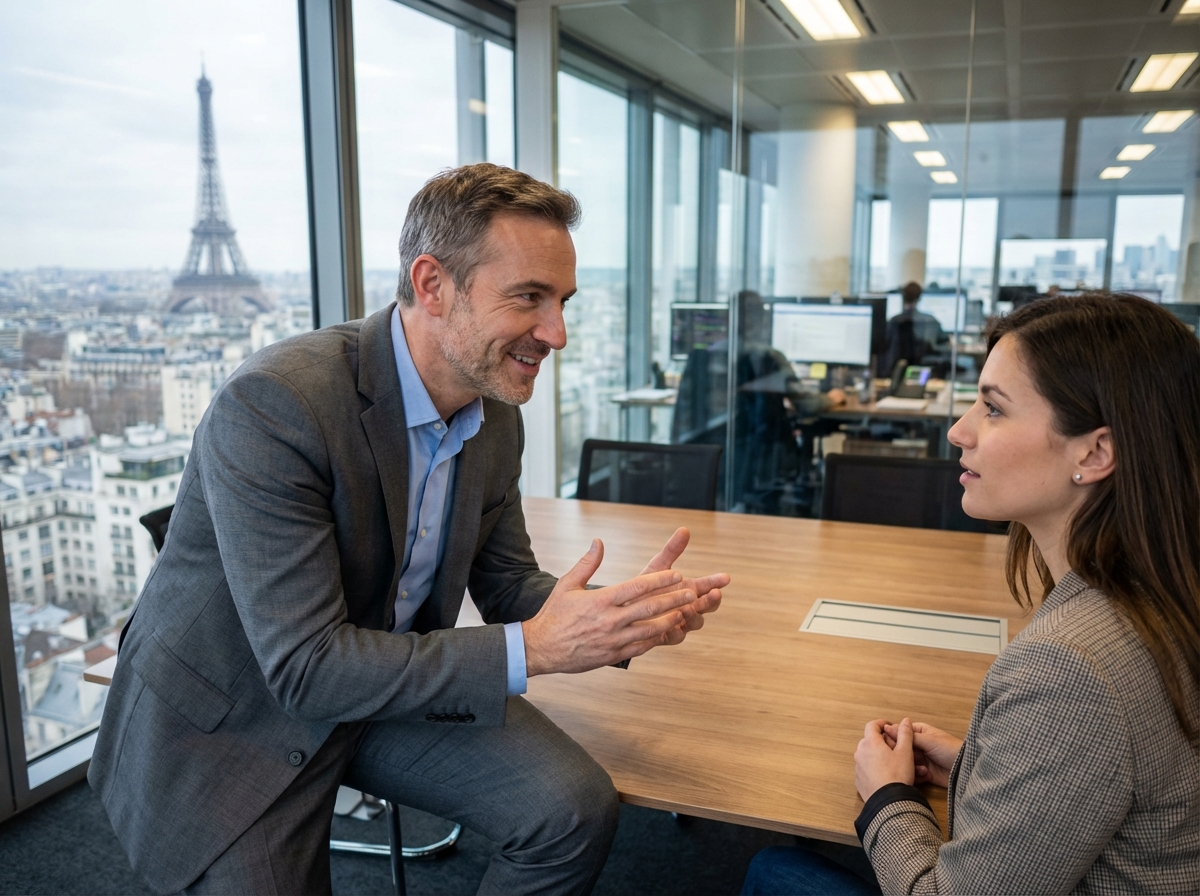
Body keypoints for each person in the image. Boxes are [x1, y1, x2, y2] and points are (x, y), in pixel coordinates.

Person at [89, 163, 728, 895]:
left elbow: (508, 583)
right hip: (243, 714)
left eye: (563, 302)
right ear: (432, 285)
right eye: (529, 298)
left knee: (571, 809)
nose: (556, 333)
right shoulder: (277, 404)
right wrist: (538, 649)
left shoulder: (494, 416)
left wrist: (617, 619)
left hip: (381, 682)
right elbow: (305, 669)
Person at [744, 293, 1200, 894]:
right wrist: (981, 763)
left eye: (993, 408)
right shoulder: (1163, 589)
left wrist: (888, 796)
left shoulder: (1071, 667)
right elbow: (1109, 774)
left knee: (773, 872)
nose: (959, 430)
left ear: (1093, 452)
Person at [882, 282, 945, 375]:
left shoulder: (893, 321)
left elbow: (884, 348)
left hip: (896, 373)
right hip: (923, 374)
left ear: (903, 297)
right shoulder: (931, 321)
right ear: (920, 298)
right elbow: (943, 345)